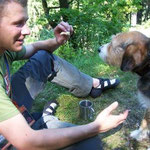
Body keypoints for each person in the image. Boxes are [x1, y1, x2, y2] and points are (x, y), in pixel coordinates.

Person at [0, 0, 129, 150]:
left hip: (10, 103)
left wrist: (57, 41)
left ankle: (93, 85)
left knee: (43, 57)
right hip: (6, 139)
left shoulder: (4, 50)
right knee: (91, 145)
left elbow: (35, 47)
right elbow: (28, 142)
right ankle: (42, 120)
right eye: (18, 24)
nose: (27, 31)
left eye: (26, 22)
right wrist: (96, 126)